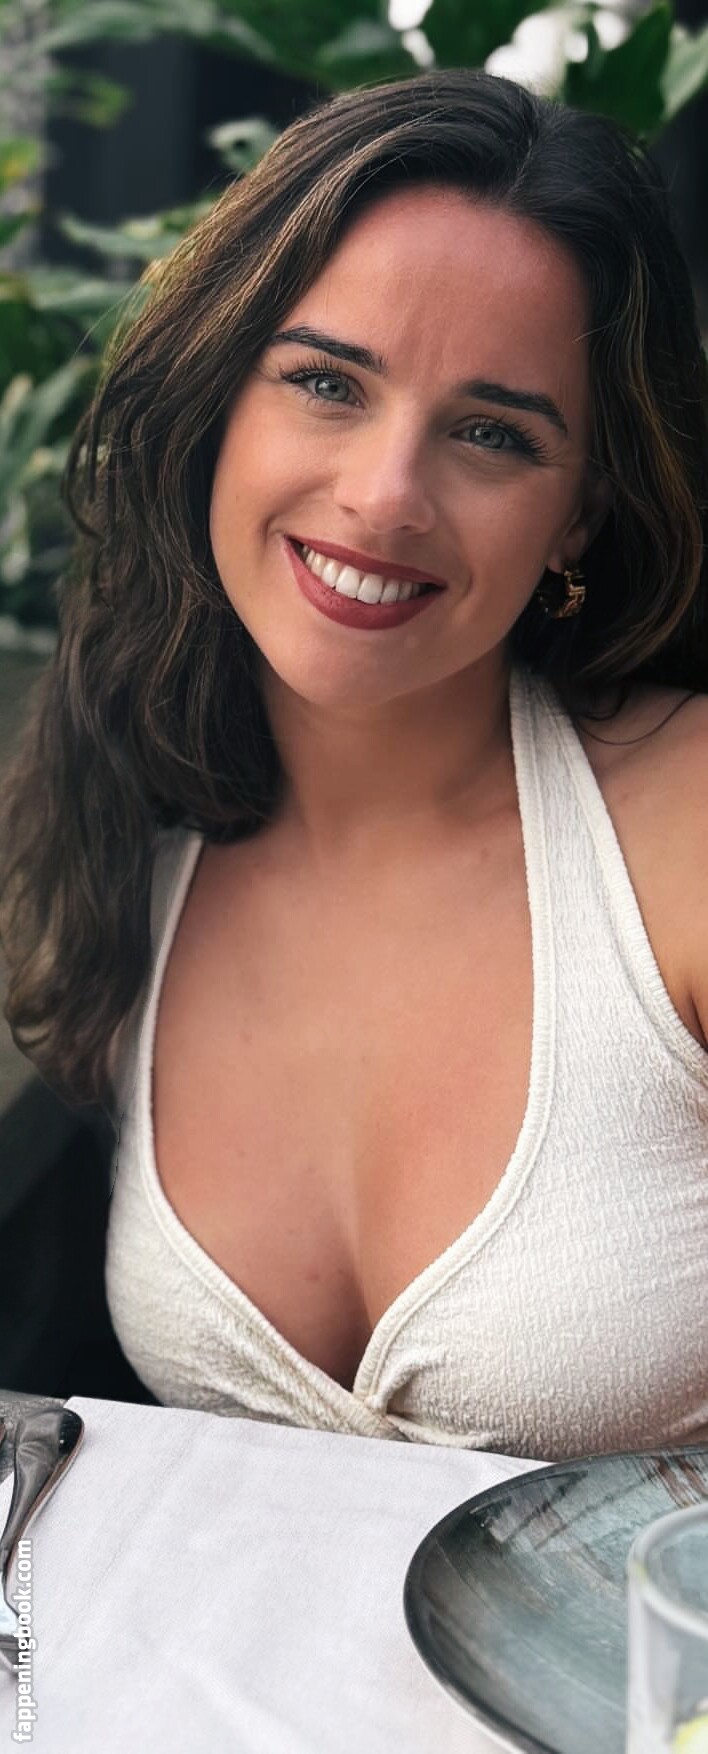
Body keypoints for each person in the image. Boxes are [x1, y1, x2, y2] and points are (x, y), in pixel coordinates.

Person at [1, 68, 707, 1456]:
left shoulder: (680, 833)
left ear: (578, 517)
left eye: (495, 434)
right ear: (218, 398)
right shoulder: (127, 832)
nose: (386, 496)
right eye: (327, 382)